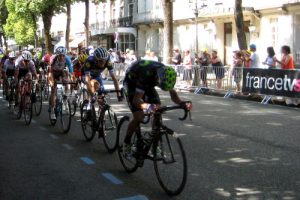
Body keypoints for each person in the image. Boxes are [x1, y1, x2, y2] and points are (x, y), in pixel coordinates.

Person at [122, 60, 192, 157]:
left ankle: (154, 146)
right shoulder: (146, 75)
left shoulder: (167, 73)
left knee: (157, 109)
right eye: (163, 87)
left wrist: (181, 103)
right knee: (139, 116)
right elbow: (136, 101)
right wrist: (149, 108)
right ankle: (126, 144)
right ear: (159, 79)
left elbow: (173, 95)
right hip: (132, 83)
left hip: (148, 84)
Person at [48, 46, 73, 120]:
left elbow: (71, 71)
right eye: (60, 56)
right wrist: (51, 82)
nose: (62, 57)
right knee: (53, 89)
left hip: (61, 72)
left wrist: (71, 79)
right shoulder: (53, 59)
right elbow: (50, 72)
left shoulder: (67, 59)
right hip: (53, 73)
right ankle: (52, 110)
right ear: (57, 55)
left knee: (66, 74)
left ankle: (65, 97)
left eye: (63, 55)